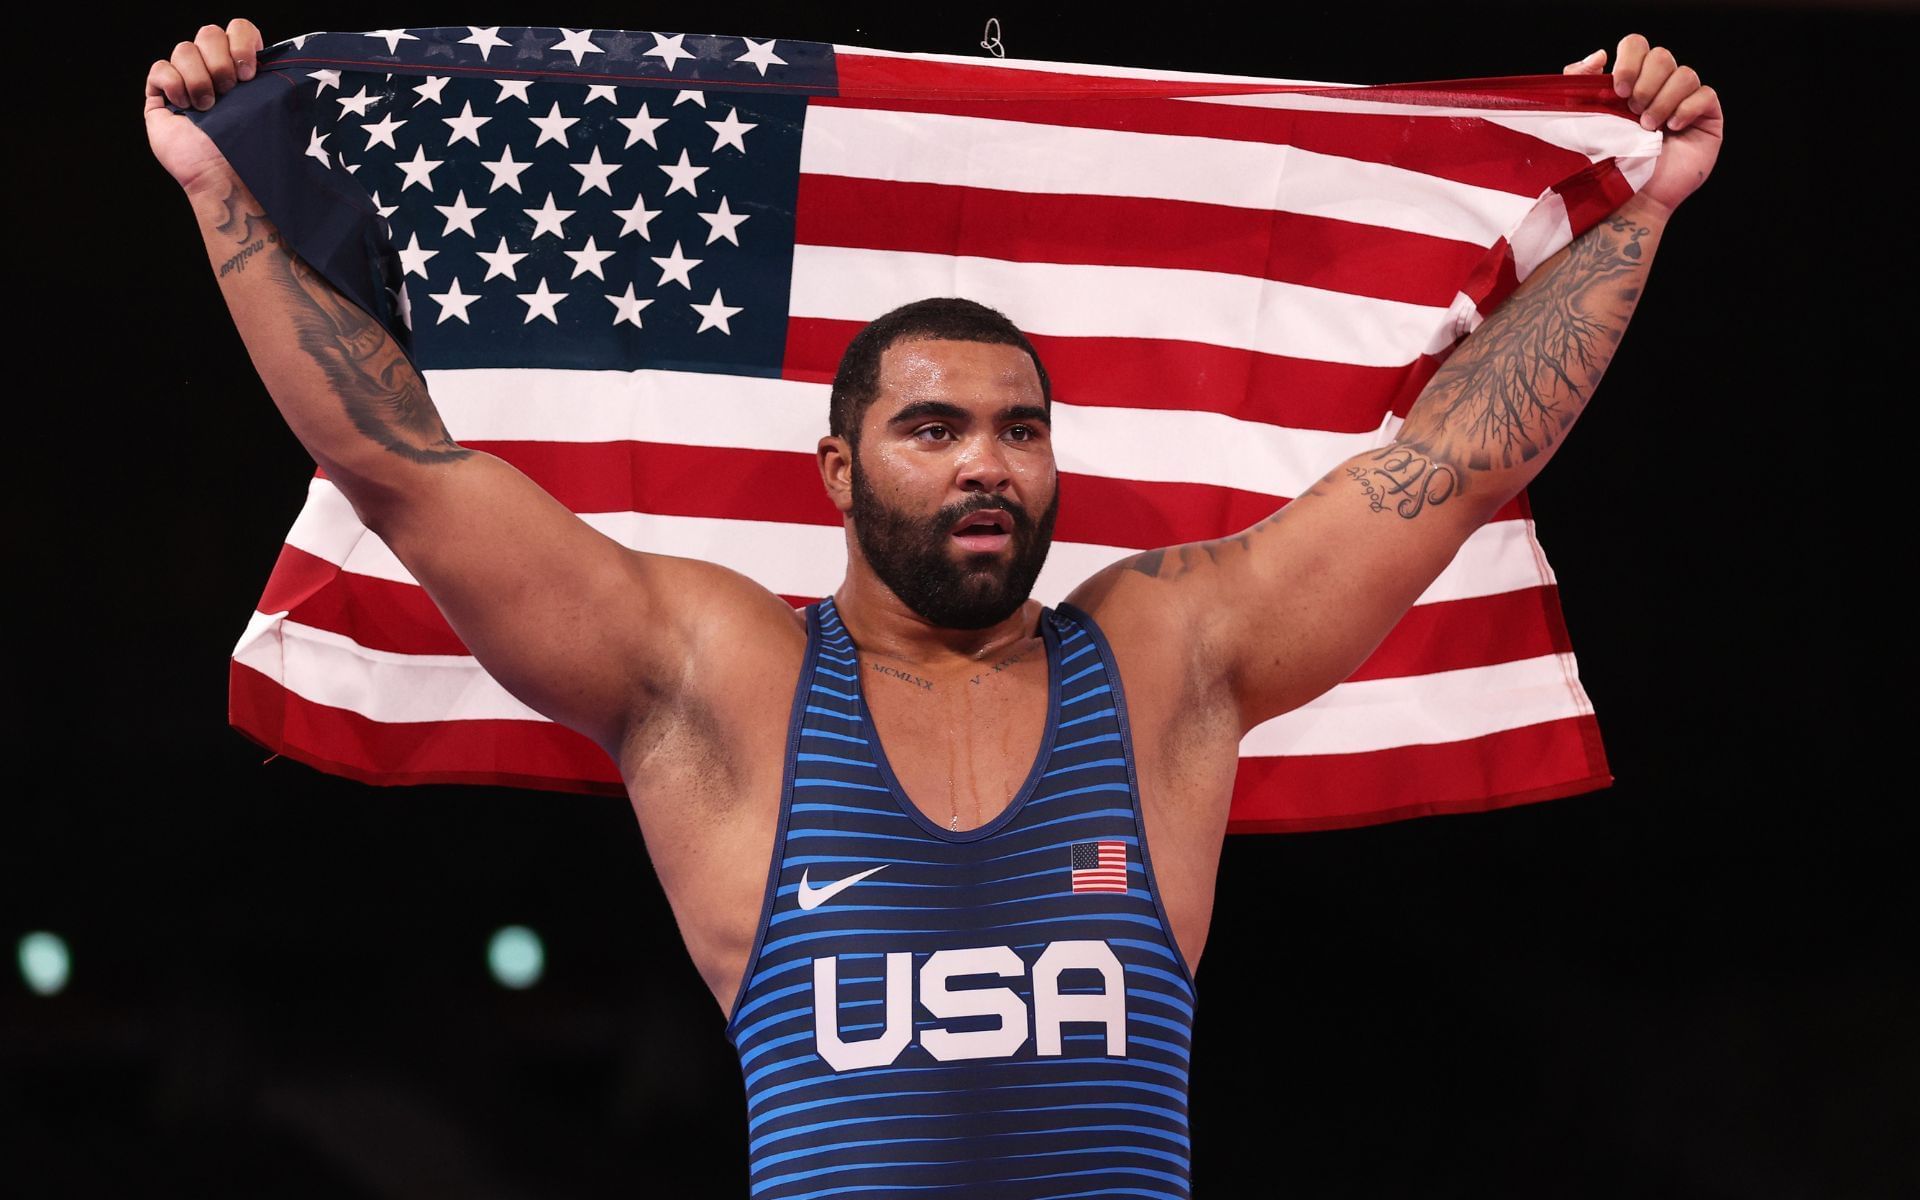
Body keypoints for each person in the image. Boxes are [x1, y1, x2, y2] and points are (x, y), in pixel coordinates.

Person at [146, 20, 1722, 1197]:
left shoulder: (1163, 657)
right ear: (838, 470)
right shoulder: (723, 680)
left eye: (1022, 429)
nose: (988, 463)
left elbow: (1449, 461)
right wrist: (221, 183)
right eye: (935, 428)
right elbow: (399, 463)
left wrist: (1642, 209)